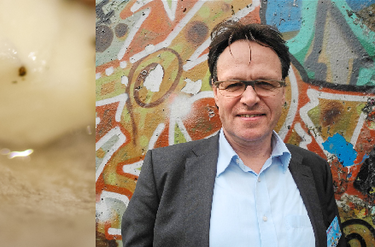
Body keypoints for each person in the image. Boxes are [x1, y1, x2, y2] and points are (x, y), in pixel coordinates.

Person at [120, 20, 345, 247]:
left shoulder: (315, 171)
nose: (249, 98)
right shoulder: (163, 172)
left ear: (283, 92)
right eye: (234, 84)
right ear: (216, 92)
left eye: (265, 83)